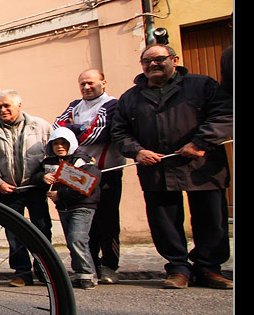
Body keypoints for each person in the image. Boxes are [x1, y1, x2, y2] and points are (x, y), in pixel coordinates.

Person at [111, 42, 233, 289]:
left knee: (211, 219)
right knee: (164, 223)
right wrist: (138, 151)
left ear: (174, 60)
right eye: (147, 61)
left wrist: (201, 142)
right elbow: (119, 132)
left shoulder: (202, 85)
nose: (153, 64)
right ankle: (178, 269)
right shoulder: (130, 97)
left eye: (159, 59)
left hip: (202, 166)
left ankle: (209, 269)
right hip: (157, 170)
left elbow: (225, 114)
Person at [53, 69, 124, 284]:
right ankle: (89, 265)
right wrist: (77, 129)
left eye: (91, 83)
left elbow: (95, 133)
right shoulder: (75, 105)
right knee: (84, 222)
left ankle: (109, 266)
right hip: (76, 173)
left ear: (103, 82)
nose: (86, 87)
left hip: (106, 172)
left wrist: (72, 130)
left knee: (107, 220)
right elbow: (58, 128)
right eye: (82, 83)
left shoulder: (111, 105)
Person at [0, 90, 53, 287]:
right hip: (9, 191)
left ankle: (45, 270)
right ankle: (22, 273)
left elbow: (52, 156)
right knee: (14, 233)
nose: (2, 110)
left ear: (19, 105)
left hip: (35, 188)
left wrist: (45, 177)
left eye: (7, 106)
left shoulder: (41, 126)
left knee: (42, 230)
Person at [30, 128, 102, 289]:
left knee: (77, 239)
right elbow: (34, 177)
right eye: (56, 143)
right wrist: (42, 177)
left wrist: (60, 195)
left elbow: (88, 186)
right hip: (63, 208)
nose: (60, 146)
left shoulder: (82, 161)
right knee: (72, 241)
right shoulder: (49, 162)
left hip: (82, 206)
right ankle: (82, 275)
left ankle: (87, 275)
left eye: (64, 143)